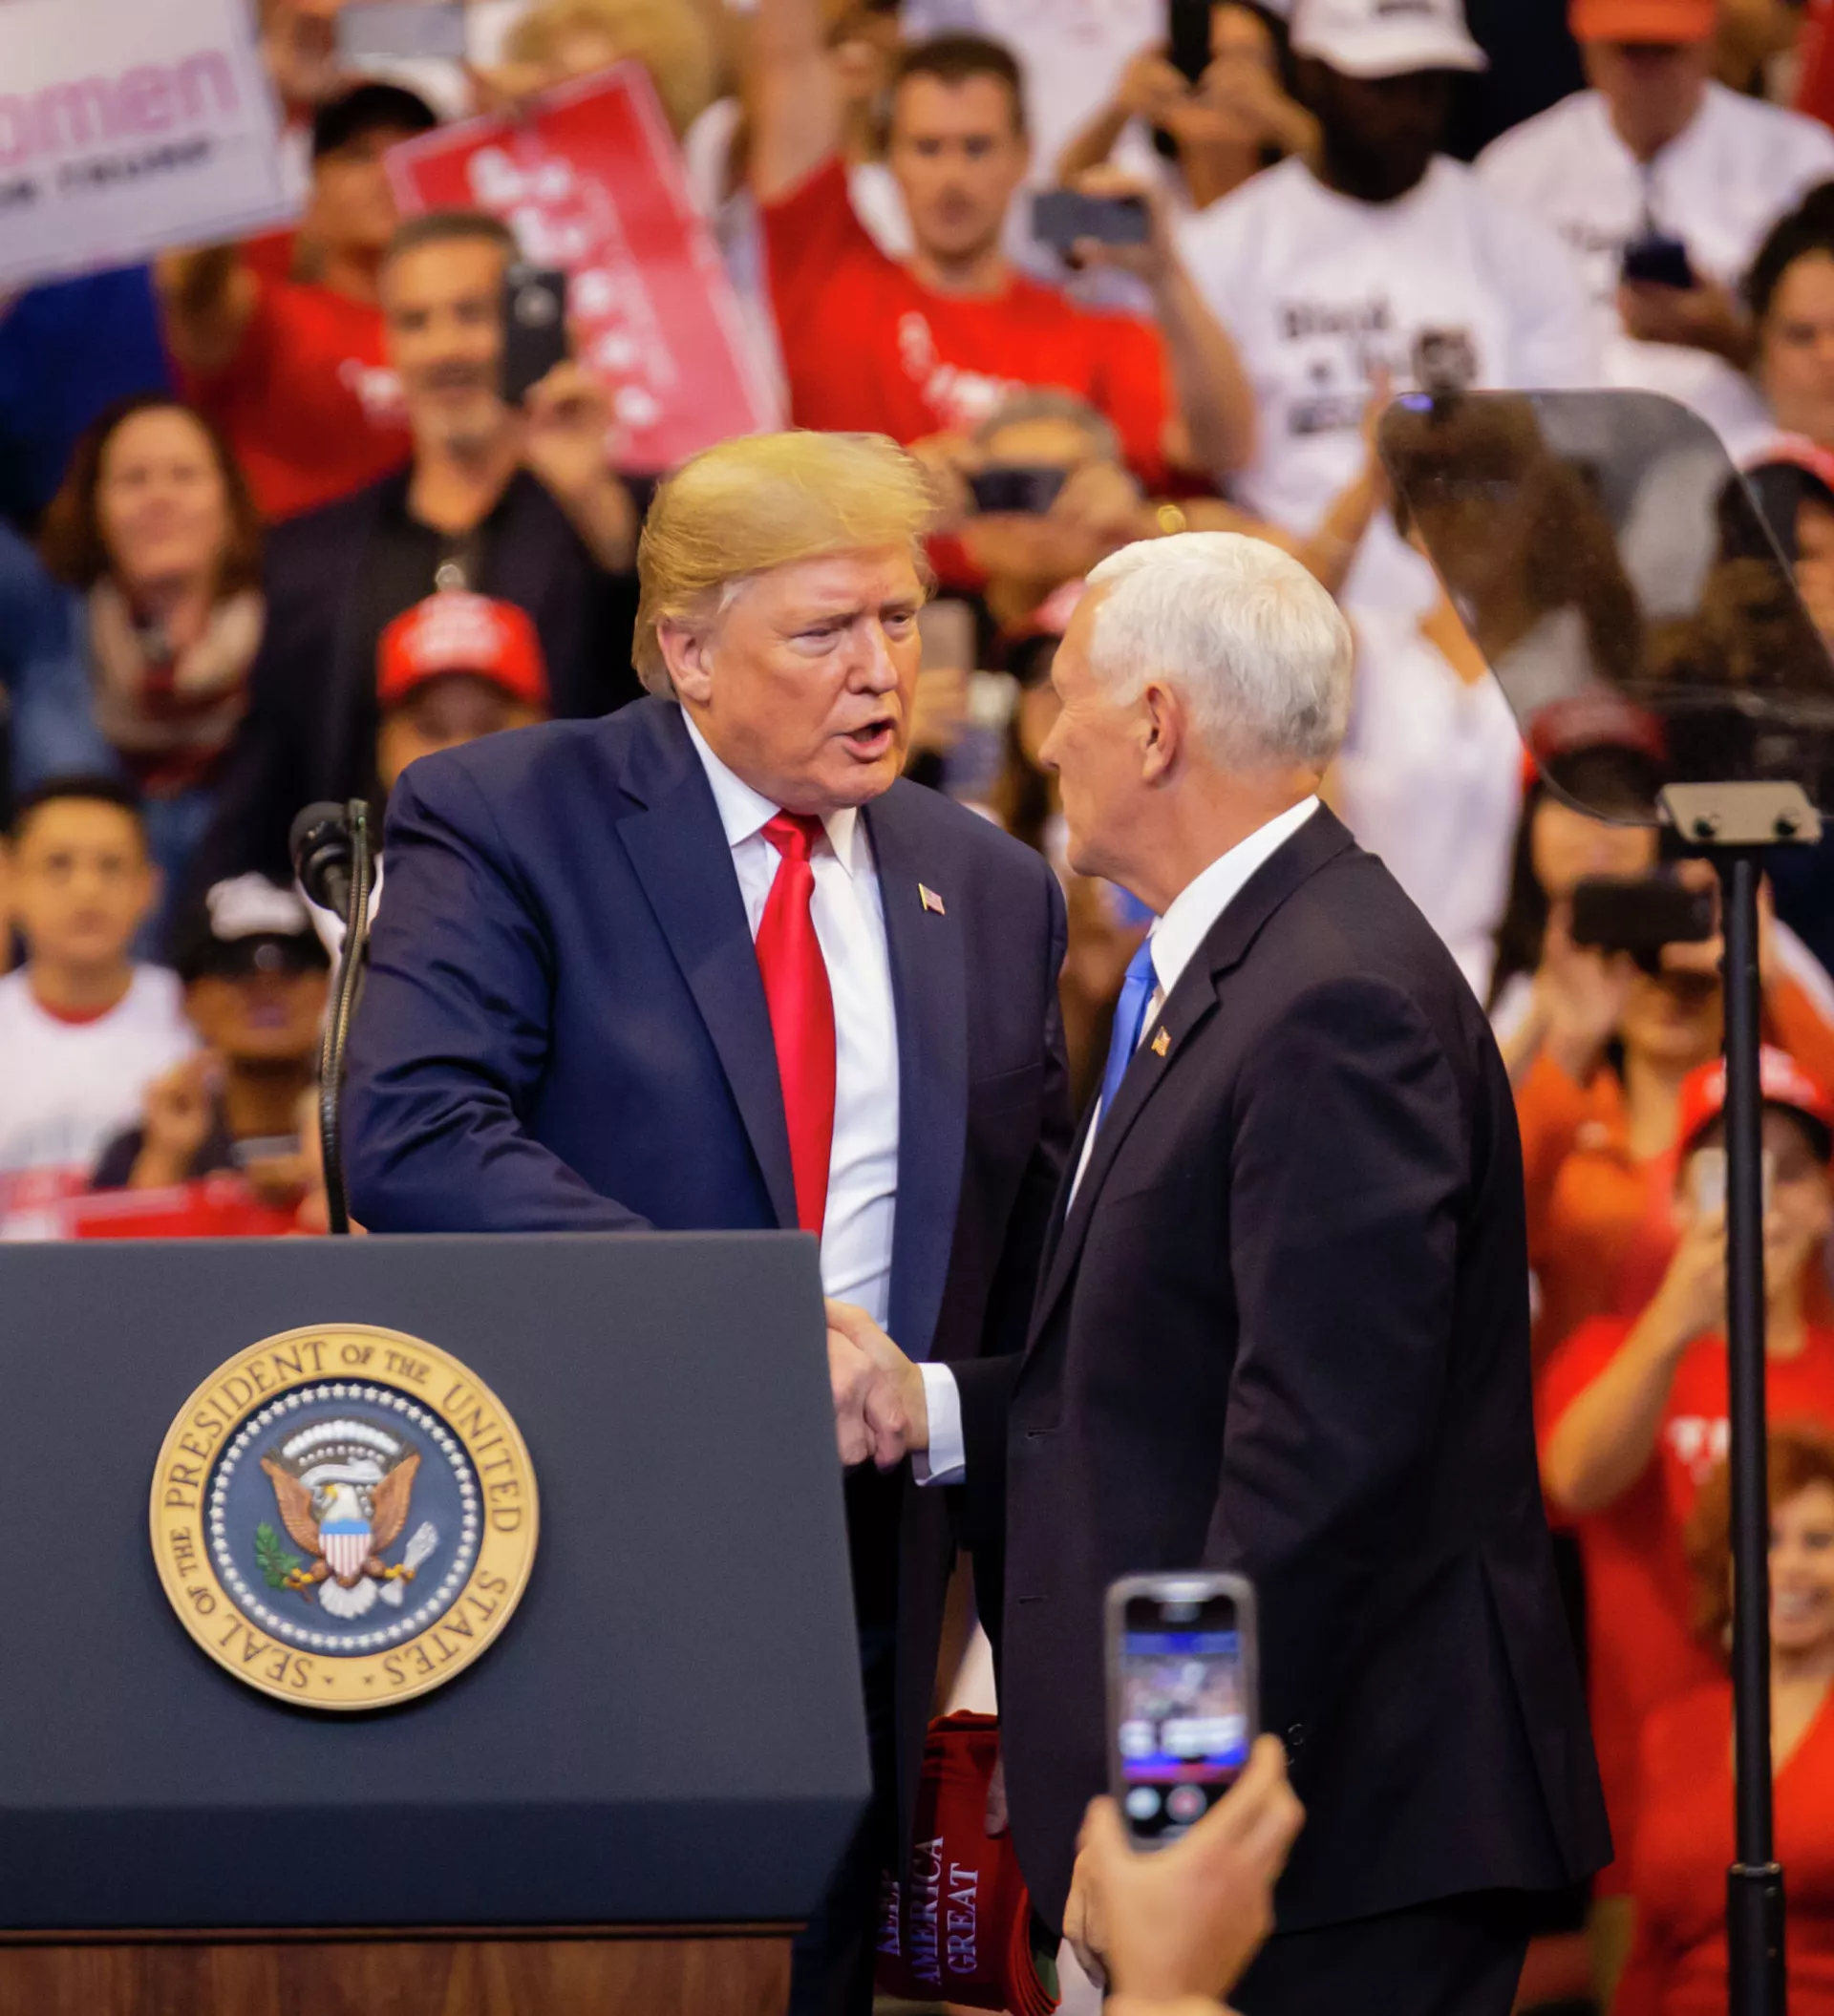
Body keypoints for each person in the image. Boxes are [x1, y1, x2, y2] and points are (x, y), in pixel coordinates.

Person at [341, 430, 1074, 2016]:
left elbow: (1033, 1281)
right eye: (824, 630)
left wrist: (1039, 1667)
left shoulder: (993, 886)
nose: (880, 669)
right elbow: (411, 1135)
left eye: (899, 619)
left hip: (867, 1574)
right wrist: (745, 1329)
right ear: (687, 651)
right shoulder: (508, 813)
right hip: (576, 1543)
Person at [827, 531, 1609, 2012]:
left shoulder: (1334, 997)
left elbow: (1316, 1458)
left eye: (1066, 696)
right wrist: (931, 1404)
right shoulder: (1248, 964)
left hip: (1332, 1853)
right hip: (1291, 1844)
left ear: (1155, 722)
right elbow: (1161, 1373)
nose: (1043, 740)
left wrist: (1167, 1801)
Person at [190, 209, 642, 892]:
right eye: (416, 321)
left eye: (471, 314)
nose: (444, 348)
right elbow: (266, 788)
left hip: (582, 906)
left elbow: (674, 709)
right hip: (373, 928)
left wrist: (594, 507)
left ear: (537, 328)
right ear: (388, 342)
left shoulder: (624, 517)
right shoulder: (309, 557)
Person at [1539, 1048, 1834, 1977]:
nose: (1762, 1200)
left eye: (1789, 1171)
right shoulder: (1612, 1351)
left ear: (1826, 1201)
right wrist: (1679, 1314)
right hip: (1645, 1826)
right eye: (1730, 1170)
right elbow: (1572, 1477)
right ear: (1677, 1196)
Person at [748, 0, 1257, 526]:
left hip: (1051, 579)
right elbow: (788, 59)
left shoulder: (1088, 334)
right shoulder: (828, 277)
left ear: (1023, 154)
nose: (952, 177)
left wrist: (1166, 274)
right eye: (927, 147)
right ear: (890, 155)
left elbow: (1221, 450)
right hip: (859, 573)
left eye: (977, 147)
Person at [1176, 0, 1597, 607]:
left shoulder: (1518, 242)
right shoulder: (1220, 249)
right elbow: (1204, 459)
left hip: (1486, 601)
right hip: (1278, 601)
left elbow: (1567, 448)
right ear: (1313, 74)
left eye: (1431, 84)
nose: (1410, 110)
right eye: (1382, 85)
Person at [1476, 0, 1834, 449]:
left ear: (1709, 41)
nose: (1647, 73)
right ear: (1586, 47)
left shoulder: (1802, 162)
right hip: (1560, 458)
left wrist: (1730, 337)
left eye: (1667, 50)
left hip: (1747, 455)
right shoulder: (1514, 172)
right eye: (1628, 50)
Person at [1617, 1426, 1834, 2016]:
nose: (1789, 1565)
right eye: (1765, 1539)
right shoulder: (1674, 1731)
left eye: (1819, 1541)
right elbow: (1648, 1954)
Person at [32, 396, 267, 942]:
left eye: (184, 475)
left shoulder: (294, 639)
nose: (159, 497)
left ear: (230, 502)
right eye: (133, 479)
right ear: (94, 509)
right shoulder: (49, 638)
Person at [158, 82, 440, 523]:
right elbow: (192, 287)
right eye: (359, 156)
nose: (387, 173)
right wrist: (242, 118)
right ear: (311, 196)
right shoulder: (268, 315)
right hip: (291, 559)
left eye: (410, 153)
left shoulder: (481, 328)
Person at [0, 778, 194, 1237]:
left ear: (150, 886)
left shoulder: (196, 1021)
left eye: (111, 866)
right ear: (9, 882)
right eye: (58, 864)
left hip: (154, 1276)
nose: (87, 889)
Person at [92, 875, 329, 1199]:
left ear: (327, 986)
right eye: (234, 966)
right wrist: (167, 1160)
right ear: (187, 998)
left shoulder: (378, 1134)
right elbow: (108, 1231)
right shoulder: (140, 1149)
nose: (267, 981)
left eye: (294, 962)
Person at [1056, 7, 1318, 226]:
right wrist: (1119, 110)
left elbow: (1341, 194)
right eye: (1202, 58)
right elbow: (1060, 222)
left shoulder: (1295, 200)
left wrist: (1284, 120)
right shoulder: (1152, 197)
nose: (1217, 77)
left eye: (1246, 60)